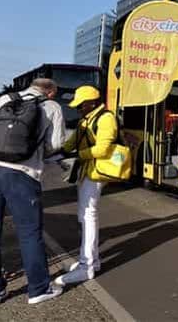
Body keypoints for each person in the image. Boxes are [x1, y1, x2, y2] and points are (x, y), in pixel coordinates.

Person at [0, 78, 65, 307]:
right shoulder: (51, 107)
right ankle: (38, 289)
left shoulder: (4, 100)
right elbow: (55, 144)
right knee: (29, 233)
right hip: (22, 174)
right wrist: (31, 152)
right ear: (50, 92)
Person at [55, 85, 117, 286]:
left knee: (88, 214)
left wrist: (76, 155)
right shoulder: (86, 119)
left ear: (92, 103)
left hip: (96, 172)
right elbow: (71, 143)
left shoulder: (106, 118)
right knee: (85, 215)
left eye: (81, 105)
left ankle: (86, 266)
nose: (78, 108)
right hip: (87, 171)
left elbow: (102, 149)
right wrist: (57, 151)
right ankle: (92, 261)